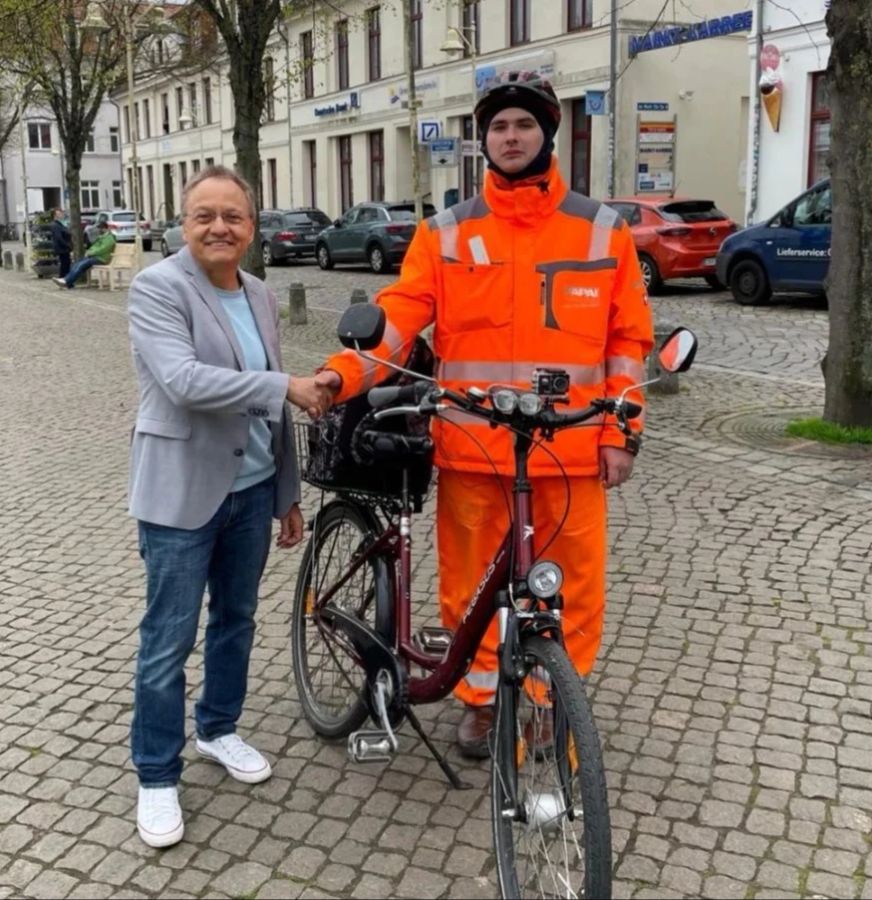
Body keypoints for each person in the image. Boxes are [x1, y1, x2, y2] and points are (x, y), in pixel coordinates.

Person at [315, 72, 654, 758]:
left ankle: (549, 699)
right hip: (471, 447)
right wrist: (342, 372)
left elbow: (627, 340)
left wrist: (625, 433)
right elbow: (399, 320)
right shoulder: (445, 232)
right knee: (471, 591)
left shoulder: (601, 230)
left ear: (546, 134)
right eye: (498, 127)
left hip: (569, 448)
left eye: (523, 124)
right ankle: (476, 698)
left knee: (570, 589)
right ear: (484, 141)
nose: (510, 136)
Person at [126, 165, 331, 848]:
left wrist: (286, 493)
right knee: (168, 641)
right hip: (181, 493)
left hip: (250, 491)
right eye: (204, 215)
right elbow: (184, 383)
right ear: (182, 224)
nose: (219, 227)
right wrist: (285, 385)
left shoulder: (261, 295)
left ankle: (217, 728)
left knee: (236, 622)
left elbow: (275, 413)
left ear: (252, 226)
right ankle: (156, 773)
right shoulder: (157, 287)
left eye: (233, 216)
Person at [53, 221, 116, 289]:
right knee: (77, 264)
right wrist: (89, 251)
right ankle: (67, 281)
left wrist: (90, 253)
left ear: (104, 229)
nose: (98, 230)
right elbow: (94, 247)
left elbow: (102, 249)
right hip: (95, 257)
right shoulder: (101, 237)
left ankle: (66, 281)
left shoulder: (109, 238)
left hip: (102, 259)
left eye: (100, 228)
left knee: (81, 265)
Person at [50, 207, 72, 278]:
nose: (61, 215)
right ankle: (63, 279)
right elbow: (59, 238)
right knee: (65, 264)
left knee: (66, 264)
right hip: (62, 248)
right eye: (59, 213)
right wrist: (67, 245)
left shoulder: (60, 224)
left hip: (64, 248)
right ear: (55, 215)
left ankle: (64, 279)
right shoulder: (55, 225)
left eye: (61, 213)